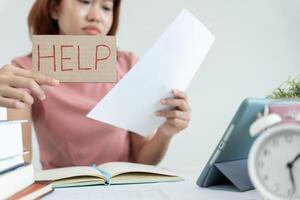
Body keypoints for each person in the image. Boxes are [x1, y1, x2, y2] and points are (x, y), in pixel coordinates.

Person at [0, 0, 191, 169]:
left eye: (107, 7)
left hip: (124, 191)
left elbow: (143, 160)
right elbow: (17, 164)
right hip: (62, 193)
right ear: (54, 9)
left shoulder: (129, 65)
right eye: (85, 2)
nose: (96, 16)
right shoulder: (22, 72)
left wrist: (165, 134)